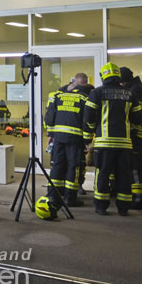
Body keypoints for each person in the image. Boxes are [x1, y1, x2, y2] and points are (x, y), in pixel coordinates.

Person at [83, 63, 142, 216]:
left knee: (102, 174)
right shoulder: (130, 94)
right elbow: (138, 118)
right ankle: (123, 207)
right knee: (123, 175)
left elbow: (89, 117)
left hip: (104, 143)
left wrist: (88, 136)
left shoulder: (97, 93)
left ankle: (101, 206)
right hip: (124, 144)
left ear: (103, 76)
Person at [44, 74, 92, 207]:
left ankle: (53, 196)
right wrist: (87, 140)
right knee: (73, 167)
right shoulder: (84, 98)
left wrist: (51, 133)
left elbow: (49, 118)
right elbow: (87, 121)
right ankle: (70, 199)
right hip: (75, 139)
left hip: (58, 138)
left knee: (57, 165)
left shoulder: (58, 96)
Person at [120, 67, 142, 209]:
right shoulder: (138, 87)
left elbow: (135, 113)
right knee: (136, 165)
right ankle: (139, 196)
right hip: (140, 131)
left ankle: (140, 199)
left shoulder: (135, 90)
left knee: (136, 166)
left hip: (137, 132)